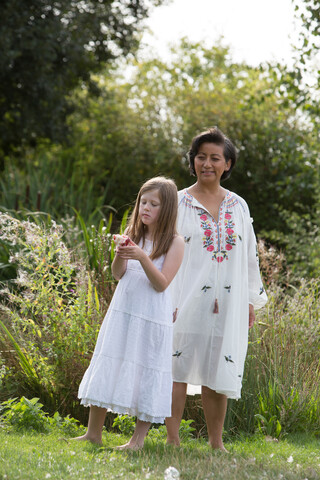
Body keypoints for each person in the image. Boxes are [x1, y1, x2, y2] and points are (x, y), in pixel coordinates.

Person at [165, 127, 267, 451]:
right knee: (175, 365)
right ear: (192, 161)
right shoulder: (177, 202)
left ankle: (216, 442)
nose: (207, 163)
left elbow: (250, 255)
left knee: (219, 366)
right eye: (201, 157)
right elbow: (162, 249)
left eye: (215, 158)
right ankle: (172, 439)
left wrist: (250, 300)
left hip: (229, 302)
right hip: (182, 298)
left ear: (227, 164)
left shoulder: (239, 205)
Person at [75, 176, 185, 450]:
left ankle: (137, 439)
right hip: (123, 311)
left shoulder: (175, 242)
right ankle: (93, 433)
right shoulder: (134, 234)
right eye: (143, 202)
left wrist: (142, 256)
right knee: (109, 361)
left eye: (154, 204)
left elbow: (161, 284)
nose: (145, 208)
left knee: (147, 368)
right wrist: (120, 254)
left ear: (168, 208)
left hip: (151, 316)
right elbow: (117, 275)